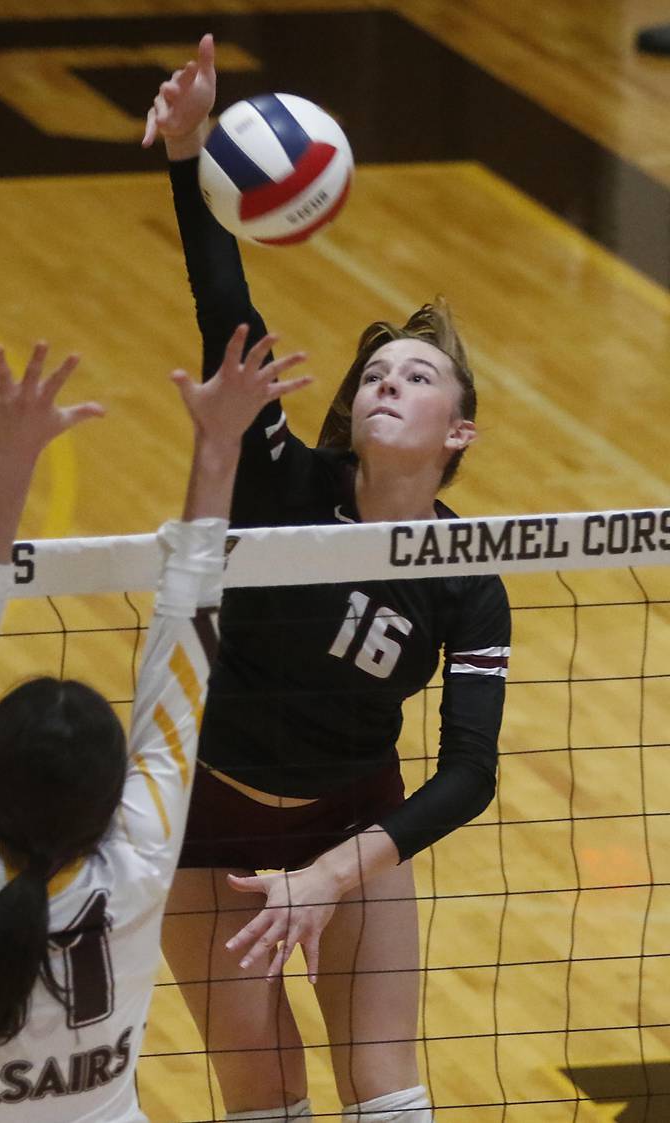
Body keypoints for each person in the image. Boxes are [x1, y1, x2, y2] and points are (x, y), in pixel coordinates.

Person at [142, 34, 511, 1123]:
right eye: (375, 374)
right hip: (211, 815)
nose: (388, 382)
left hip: (351, 821)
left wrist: (331, 875)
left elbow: (471, 774)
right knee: (265, 1086)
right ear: (346, 408)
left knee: (381, 1078)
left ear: (458, 430)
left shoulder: (462, 577)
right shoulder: (278, 479)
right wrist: (188, 150)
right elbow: (227, 314)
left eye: (419, 374)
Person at [0, 328, 309, 1123]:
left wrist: (11, 453)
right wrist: (220, 444)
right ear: (114, 796)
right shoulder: (141, 859)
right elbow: (185, 643)